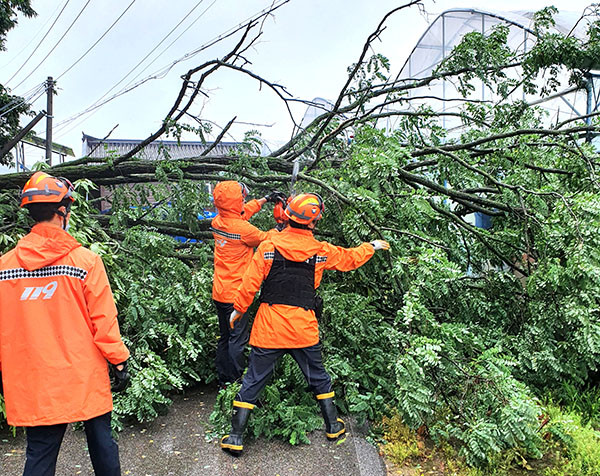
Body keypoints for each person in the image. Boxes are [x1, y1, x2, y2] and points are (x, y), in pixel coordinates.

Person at [220, 192, 390, 455]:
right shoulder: (321, 251)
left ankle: (235, 436)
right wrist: (372, 246)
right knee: (319, 378)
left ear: (287, 216)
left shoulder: (268, 247)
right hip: (303, 328)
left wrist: (238, 311)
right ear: (313, 222)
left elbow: (249, 284)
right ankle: (333, 426)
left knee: (253, 380)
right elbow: (349, 258)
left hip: (270, 327)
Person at [0, 172, 130, 476]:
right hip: (84, 374)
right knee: (102, 446)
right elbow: (104, 322)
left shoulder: (4, 268)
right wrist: (120, 362)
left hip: (35, 378)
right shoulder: (85, 262)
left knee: (40, 455)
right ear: (63, 213)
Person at [211, 180, 285, 388]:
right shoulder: (244, 230)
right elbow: (266, 238)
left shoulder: (218, 221)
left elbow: (242, 213)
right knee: (237, 339)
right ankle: (236, 383)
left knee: (225, 337)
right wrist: (281, 227)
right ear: (235, 201)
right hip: (236, 294)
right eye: (241, 197)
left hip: (219, 292)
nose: (244, 199)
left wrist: (264, 200)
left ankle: (224, 379)